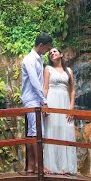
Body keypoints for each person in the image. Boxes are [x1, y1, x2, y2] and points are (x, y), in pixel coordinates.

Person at [20, 32, 53, 173]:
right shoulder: (29, 60)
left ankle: (31, 166)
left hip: (36, 99)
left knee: (33, 131)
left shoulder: (38, 58)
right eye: (47, 48)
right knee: (36, 132)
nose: (47, 51)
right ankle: (39, 165)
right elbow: (34, 82)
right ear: (41, 45)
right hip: (31, 99)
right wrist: (43, 102)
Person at [43, 47, 77, 175]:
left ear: (61, 54)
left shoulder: (69, 71)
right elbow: (45, 88)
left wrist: (71, 108)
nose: (52, 54)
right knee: (52, 130)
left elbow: (72, 90)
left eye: (55, 52)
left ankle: (65, 166)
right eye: (50, 53)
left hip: (64, 102)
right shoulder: (48, 69)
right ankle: (51, 166)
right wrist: (44, 104)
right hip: (52, 100)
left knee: (65, 130)